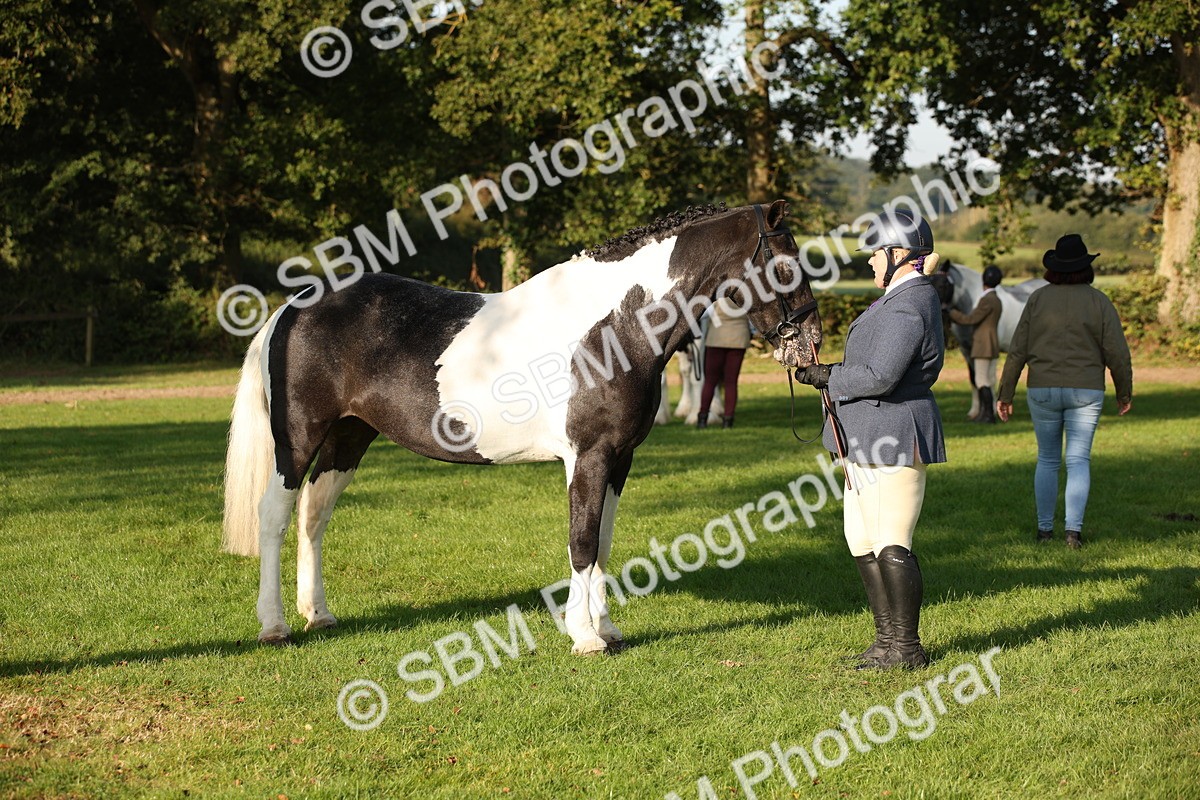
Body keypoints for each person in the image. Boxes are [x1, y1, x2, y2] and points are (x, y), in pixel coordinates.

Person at [796, 210, 946, 670]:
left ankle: (906, 648)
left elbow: (881, 376)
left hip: (893, 433)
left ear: (898, 254)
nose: (869, 263)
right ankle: (885, 642)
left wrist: (829, 376)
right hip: (866, 434)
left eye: (875, 254)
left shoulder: (908, 303)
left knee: (890, 541)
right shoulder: (897, 298)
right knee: (860, 539)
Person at [996, 234, 1133, 549]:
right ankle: (1073, 533)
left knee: (1046, 459)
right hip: (1086, 390)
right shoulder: (1099, 301)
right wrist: (1124, 392)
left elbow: (1018, 350)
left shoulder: (1038, 300)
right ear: (1086, 267)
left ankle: (1045, 532)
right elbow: (1118, 353)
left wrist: (1005, 394)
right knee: (1078, 460)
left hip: (1042, 387)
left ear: (1054, 268)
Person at [950, 265, 1003, 423]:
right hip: (992, 343)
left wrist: (951, 312)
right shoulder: (997, 299)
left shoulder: (986, 300)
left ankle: (987, 414)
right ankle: (987, 412)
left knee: (981, 380)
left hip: (982, 345)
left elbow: (970, 319)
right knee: (989, 378)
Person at [696, 296, 751, 429]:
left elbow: (704, 314)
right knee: (731, 382)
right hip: (739, 338)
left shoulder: (718, 293)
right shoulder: (747, 293)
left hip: (716, 338)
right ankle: (728, 420)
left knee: (709, 381)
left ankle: (702, 418)